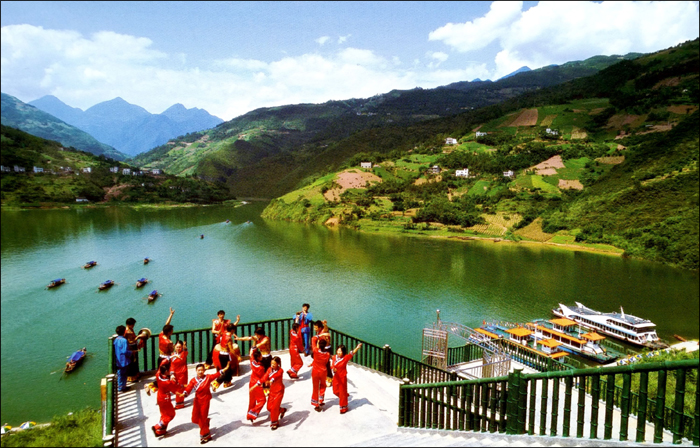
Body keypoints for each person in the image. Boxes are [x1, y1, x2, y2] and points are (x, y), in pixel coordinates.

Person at [182, 363, 231, 445]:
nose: (200, 372)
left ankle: (205, 435)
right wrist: (185, 393)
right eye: (198, 370)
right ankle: (206, 422)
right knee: (194, 418)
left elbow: (217, 374)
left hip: (205, 400)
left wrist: (225, 368)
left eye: (202, 370)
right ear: (196, 371)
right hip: (197, 401)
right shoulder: (193, 380)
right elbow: (189, 388)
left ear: (204, 370)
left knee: (202, 418)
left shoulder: (208, 377)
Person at [250, 356, 287, 430]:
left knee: (274, 408)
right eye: (271, 363)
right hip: (272, 391)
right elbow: (264, 378)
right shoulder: (269, 369)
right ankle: (281, 410)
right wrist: (254, 386)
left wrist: (271, 381)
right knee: (269, 407)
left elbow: (276, 376)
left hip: (279, 391)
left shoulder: (280, 370)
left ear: (278, 364)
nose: (272, 365)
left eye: (274, 364)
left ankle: (274, 423)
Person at [150, 362, 183, 438]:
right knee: (171, 414)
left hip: (160, 397)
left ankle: (160, 431)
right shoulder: (168, 382)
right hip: (165, 400)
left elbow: (162, 363)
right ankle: (157, 426)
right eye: (169, 370)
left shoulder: (158, 375)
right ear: (166, 372)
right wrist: (179, 384)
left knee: (164, 414)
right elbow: (175, 389)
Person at [331, 343, 362, 414]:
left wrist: (357, 347)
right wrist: (333, 368)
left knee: (342, 393)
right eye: (338, 351)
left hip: (342, 377)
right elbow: (332, 364)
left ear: (343, 352)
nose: (338, 352)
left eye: (340, 351)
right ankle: (345, 396)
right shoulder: (334, 357)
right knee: (335, 391)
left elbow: (352, 353)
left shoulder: (345, 358)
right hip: (336, 376)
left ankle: (343, 408)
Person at [309, 338, 330, 412]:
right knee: (323, 385)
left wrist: (318, 336)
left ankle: (316, 403)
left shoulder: (315, 351)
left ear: (318, 345)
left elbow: (313, 340)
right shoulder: (327, 354)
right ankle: (320, 400)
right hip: (323, 371)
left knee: (315, 387)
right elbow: (326, 362)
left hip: (315, 371)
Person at [246, 349, 267, 422]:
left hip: (251, 382)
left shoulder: (252, 361)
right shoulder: (261, 368)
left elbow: (251, 353)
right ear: (258, 358)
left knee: (252, 400)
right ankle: (252, 412)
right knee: (262, 400)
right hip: (257, 384)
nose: (262, 356)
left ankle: (249, 415)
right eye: (261, 356)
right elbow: (263, 377)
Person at [217, 322, 239, 387]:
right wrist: (237, 357)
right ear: (232, 330)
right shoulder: (229, 339)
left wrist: (237, 321)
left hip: (221, 354)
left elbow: (230, 329)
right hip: (225, 355)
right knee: (227, 371)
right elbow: (231, 349)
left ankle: (227, 383)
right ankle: (217, 382)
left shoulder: (224, 333)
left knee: (227, 369)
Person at [170, 340, 189, 409]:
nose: (178, 348)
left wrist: (184, 347)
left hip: (182, 374)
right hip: (175, 374)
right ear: (175, 347)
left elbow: (186, 351)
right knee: (172, 386)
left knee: (180, 388)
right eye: (177, 347)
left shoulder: (183, 354)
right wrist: (172, 374)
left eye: (180, 347)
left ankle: (179, 404)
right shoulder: (173, 355)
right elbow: (171, 365)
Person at [125, 317, 144, 382]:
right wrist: (138, 337)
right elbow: (131, 341)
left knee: (135, 362)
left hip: (133, 346)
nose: (133, 326)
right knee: (132, 362)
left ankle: (135, 375)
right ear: (128, 324)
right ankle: (132, 377)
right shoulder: (128, 331)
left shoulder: (130, 330)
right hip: (131, 347)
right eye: (132, 324)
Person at [113, 325, 132, 392]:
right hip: (124, 360)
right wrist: (131, 353)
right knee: (123, 374)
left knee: (120, 373)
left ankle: (121, 386)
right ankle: (122, 387)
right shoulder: (124, 340)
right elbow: (125, 351)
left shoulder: (116, 340)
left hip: (118, 360)